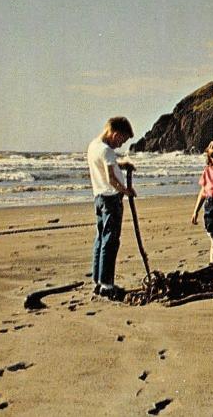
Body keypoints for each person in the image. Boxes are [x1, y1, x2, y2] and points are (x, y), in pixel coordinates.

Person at [87, 117, 136, 298]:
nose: (120, 144)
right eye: (121, 140)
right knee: (111, 241)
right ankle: (107, 284)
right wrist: (126, 191)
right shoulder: (106, 150)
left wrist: (121, 164)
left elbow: (106, 166)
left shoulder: (94, 146)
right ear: (115, 133)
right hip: (110, 200)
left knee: (100, 238)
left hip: (99, 198)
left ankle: (98, 280)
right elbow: (111, 179)